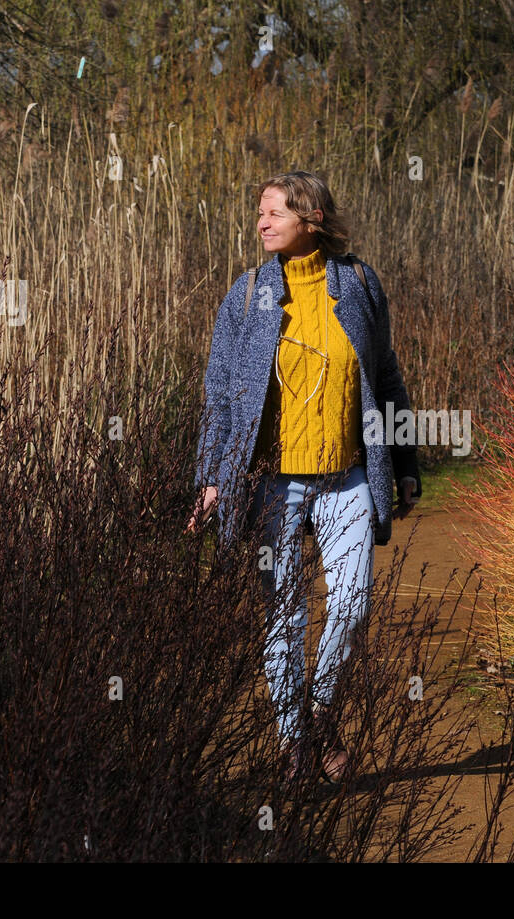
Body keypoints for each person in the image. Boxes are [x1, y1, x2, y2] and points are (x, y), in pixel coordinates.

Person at [186, 170, 421, 782]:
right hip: (272, 484)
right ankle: (295, 746)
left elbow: (387, 379)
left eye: (273, 213)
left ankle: (316, 718)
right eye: (259, 213)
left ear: (310, 219)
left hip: (346, 479)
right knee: (284, 615)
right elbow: (220, 395)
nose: (260, 223)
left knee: (351, 604)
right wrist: (211, 477)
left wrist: (405, 462)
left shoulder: (361, 284)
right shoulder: (246, 295)